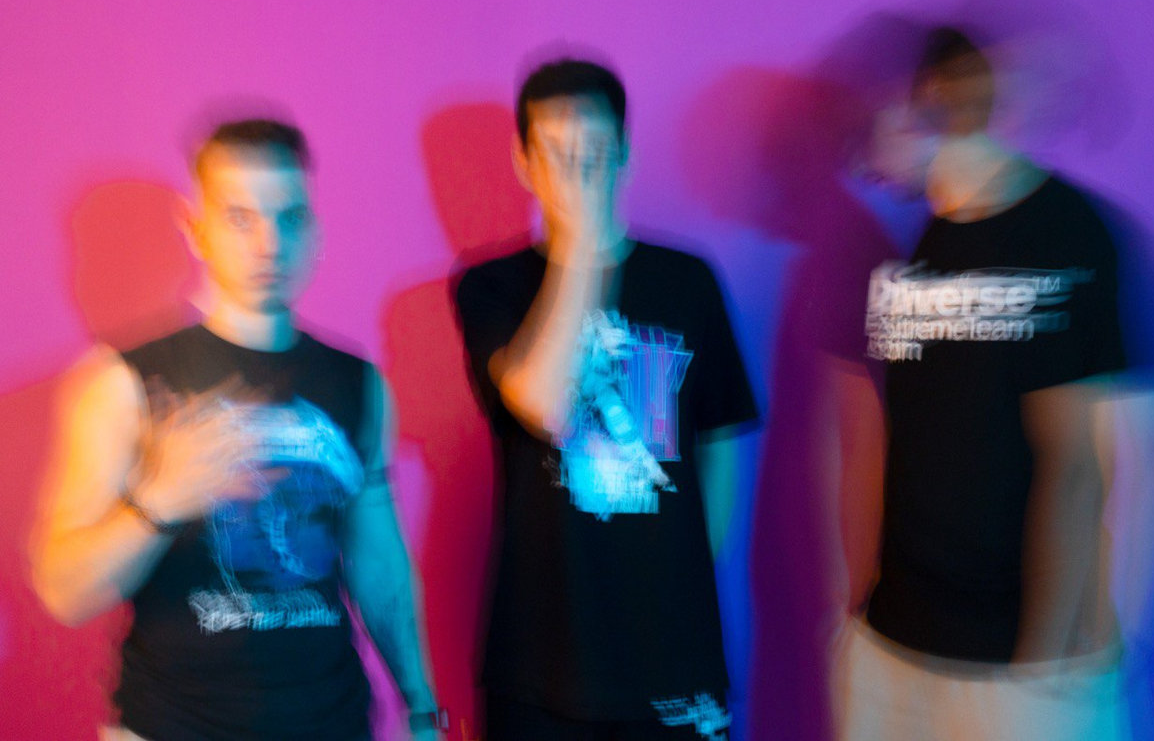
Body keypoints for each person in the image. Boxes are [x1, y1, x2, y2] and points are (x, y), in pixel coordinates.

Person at [30, 119, 444, 740]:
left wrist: (422, 706)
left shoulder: (358, 383)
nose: (269, 244)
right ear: (195, 228)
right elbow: (64, 592)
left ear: (314, 229)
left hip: (332, 723)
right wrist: (158, 501)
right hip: (171, 727)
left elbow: (380, 563)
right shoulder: (122, 383)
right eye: (240, 218)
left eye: (289, 218)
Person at [834, 27, 1133, 740]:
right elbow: (887, 439)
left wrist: (1046, 657)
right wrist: (857, 606)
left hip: (1017, 666)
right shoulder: (911, 247)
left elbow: (1079, 466)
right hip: (894, 640)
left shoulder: (1065, 230)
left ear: (933, 102)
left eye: (878, 115)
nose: (862, 148)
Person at [454, 58, 758, 740]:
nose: (577, 173)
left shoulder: (688, 281)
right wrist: (581, 251)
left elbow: (720, 445)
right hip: (538, 658)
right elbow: (544, 403)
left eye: (593, 152)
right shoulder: (489, 287)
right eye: (557, 154)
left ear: (625, 155)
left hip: (673, 653)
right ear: (524, 163)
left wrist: (676, 575)